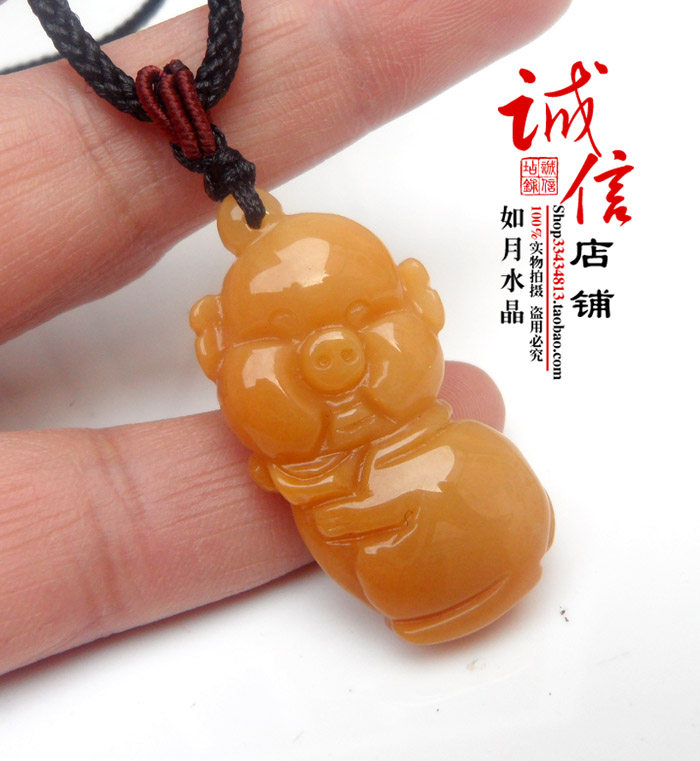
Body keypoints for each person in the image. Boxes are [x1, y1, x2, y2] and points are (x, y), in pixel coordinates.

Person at [0, 0, 569, 675]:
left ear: (423, 303)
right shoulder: (308, 472)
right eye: (277, 341)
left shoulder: (459, 447)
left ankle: (488, 566)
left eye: (363, 317)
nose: (333, 360)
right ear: (216, 353)